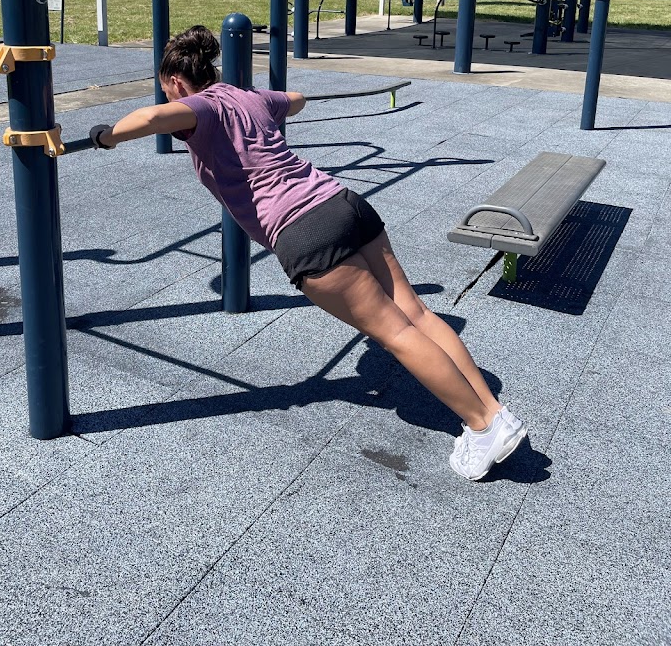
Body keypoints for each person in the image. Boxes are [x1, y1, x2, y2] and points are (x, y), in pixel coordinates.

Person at [90, 26, 527, 481]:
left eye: (166, 90)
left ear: (176, 83)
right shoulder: (250, 98)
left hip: (305, 232)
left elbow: (151, 120)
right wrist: (266, 106)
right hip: (344, 201)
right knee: (415, 313)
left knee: (395, 334)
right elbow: (295, 98)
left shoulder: (196, 106)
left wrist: (107, 136)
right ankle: (495, 413)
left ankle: (481, 426)